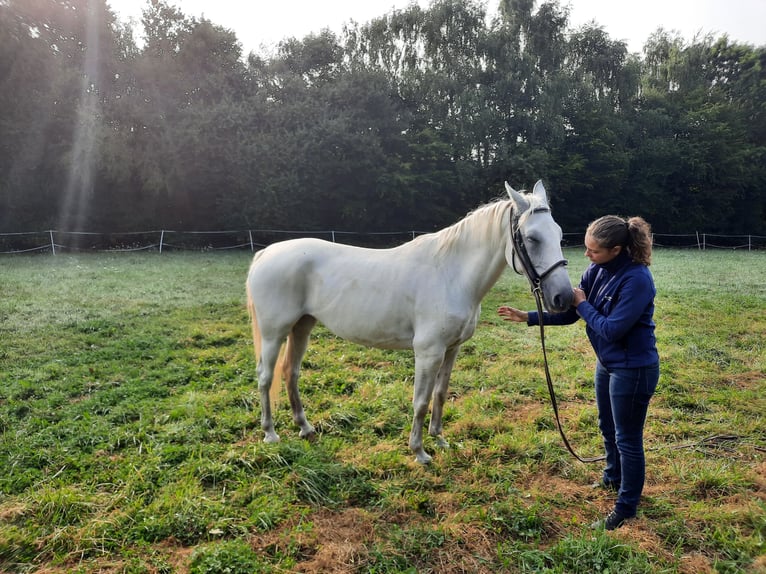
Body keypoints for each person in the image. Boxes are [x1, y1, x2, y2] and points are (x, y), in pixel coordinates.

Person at [498, 215, 659, 530]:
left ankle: (626, 508)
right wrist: (529, 317)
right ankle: (612, 478)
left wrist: (583, 303)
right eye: (586, 249)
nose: (587, 255)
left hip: (633, 369)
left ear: (616, 249)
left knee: (627, 439)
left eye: (594, 251)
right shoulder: (596, 271)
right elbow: (572, 315)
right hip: (608, 364)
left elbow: (611, 329)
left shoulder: (637, 279)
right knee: (607, 427)